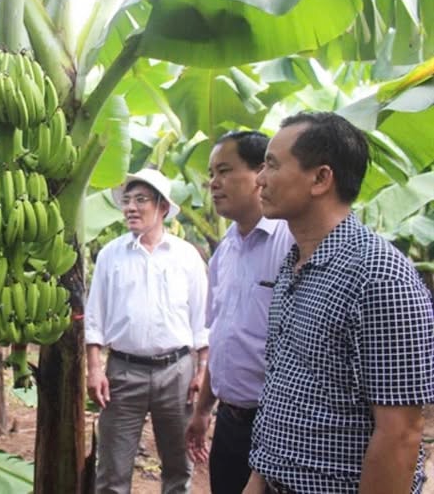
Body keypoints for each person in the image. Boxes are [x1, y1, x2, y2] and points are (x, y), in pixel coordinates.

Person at [244, 112, 434, 493]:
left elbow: (400, 433)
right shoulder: (294, 263)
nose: (260, 179)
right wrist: (258, 480)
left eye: (272, 165)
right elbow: (285, 388)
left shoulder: (379, 277)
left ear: (320, 179)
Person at [85, 168, 209, 494]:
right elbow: (95, 317)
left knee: (179, 470)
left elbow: (202, 320)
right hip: (123, 372)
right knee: (112, 472)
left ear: (163, 208)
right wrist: (95, 369)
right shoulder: (111, 255)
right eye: (127, 201)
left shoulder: (186, 257)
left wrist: (202, 370)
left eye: (141, 200)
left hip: (177, 372)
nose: (131, 208)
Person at [184, 131, 294, 494]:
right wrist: (202, 412)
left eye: (225, 171)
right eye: (211, 174)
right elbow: (222, 339)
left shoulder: (290, 243)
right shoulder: (223, 254)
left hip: (280, 425)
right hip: (230, 423)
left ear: (261, 172)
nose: (213, 183)